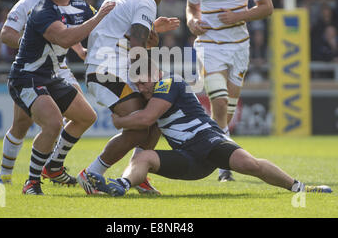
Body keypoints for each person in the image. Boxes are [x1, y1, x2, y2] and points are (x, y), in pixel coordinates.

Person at [78, 58, 332, 197]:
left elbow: (145, 119)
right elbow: (146, 131)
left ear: (156, 73)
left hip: (208, 141)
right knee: (143, 157)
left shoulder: (169, 82)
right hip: (187, 160)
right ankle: (121, 185)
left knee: (249, 165)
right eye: (138, 84)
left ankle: (301, 187)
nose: (142, 88)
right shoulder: (152, 92)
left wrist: (120, 121)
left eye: (144, 82)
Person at [7, 0, 115, 195]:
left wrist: (141, 30)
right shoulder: (41, 12)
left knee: (86, 117)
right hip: (27, 77)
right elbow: (65, 38)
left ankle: (54, 166)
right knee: (53, 123)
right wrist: (97, 19)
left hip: (51, 76)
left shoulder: (78, 5)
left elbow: (106, 24)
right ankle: (31, 183)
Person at [76, 0, 180, 195]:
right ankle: (92, 174)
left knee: (154, 118)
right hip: (107, 71)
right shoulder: (146, 0)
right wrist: (146, 82)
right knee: (140, 125)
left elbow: (126, 36)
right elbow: (136, 45)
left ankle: (138, 174)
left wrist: (151, 31)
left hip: (108, 67)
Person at [185, 0, 274, 181]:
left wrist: (238, 16)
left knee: (228, 110)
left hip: (238, 46)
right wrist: (192, 21)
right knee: (219, 102)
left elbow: (267, 8)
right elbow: (191, 7)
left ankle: (221, 151)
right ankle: (225, 164)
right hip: (209, 44)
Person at [0, 0, 89, 186]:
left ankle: (54, 166)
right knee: (21, 124)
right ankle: (5, 176)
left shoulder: (67, 1)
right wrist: (33, 46)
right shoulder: (27, 4)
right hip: (32, 68)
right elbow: (6, 34)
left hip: (59, 68)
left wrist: (79, 49)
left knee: (79, 114)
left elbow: (67, 31)